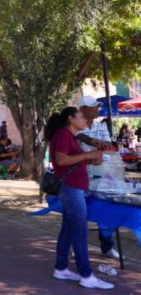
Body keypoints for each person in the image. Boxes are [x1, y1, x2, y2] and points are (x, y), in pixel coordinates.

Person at [44, 106, 114, 289]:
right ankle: (87, 275)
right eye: (81, 116)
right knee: (79, 231)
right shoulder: (63, 135)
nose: (85, 120)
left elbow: (71, 160)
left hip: (74, 188)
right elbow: (60, 160)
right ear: (71, 118)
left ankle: (61, 268)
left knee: (68, 229)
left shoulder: (69, 136)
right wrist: (88, 154)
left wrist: (90, 159)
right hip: (71, 189)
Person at [74, 96, 120, 260]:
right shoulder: (76, 124)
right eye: (94, 107)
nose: (97, 109)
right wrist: (95, 142)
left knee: (105, 210)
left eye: (97, 107)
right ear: (83, 109)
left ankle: (107, 245)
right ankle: (77, 246)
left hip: (103, 172)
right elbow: (81, 137)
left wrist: (101, 146)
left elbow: (107, 144)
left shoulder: (102, 125)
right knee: (81, 212)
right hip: (81, 175)